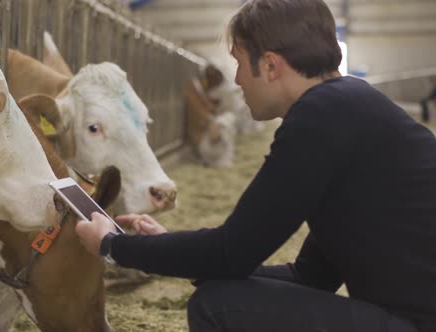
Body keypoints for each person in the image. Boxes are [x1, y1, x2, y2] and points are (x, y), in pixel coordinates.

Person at [75, 0, 436, 331]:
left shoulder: (321, 117)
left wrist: (112, 247)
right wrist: (170, 249)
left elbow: (230, 252)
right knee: (221, 289)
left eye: (238, 61)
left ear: (269, 65)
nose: (236, 80)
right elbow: (310, 276)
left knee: (217, 306)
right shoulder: (349, 107)